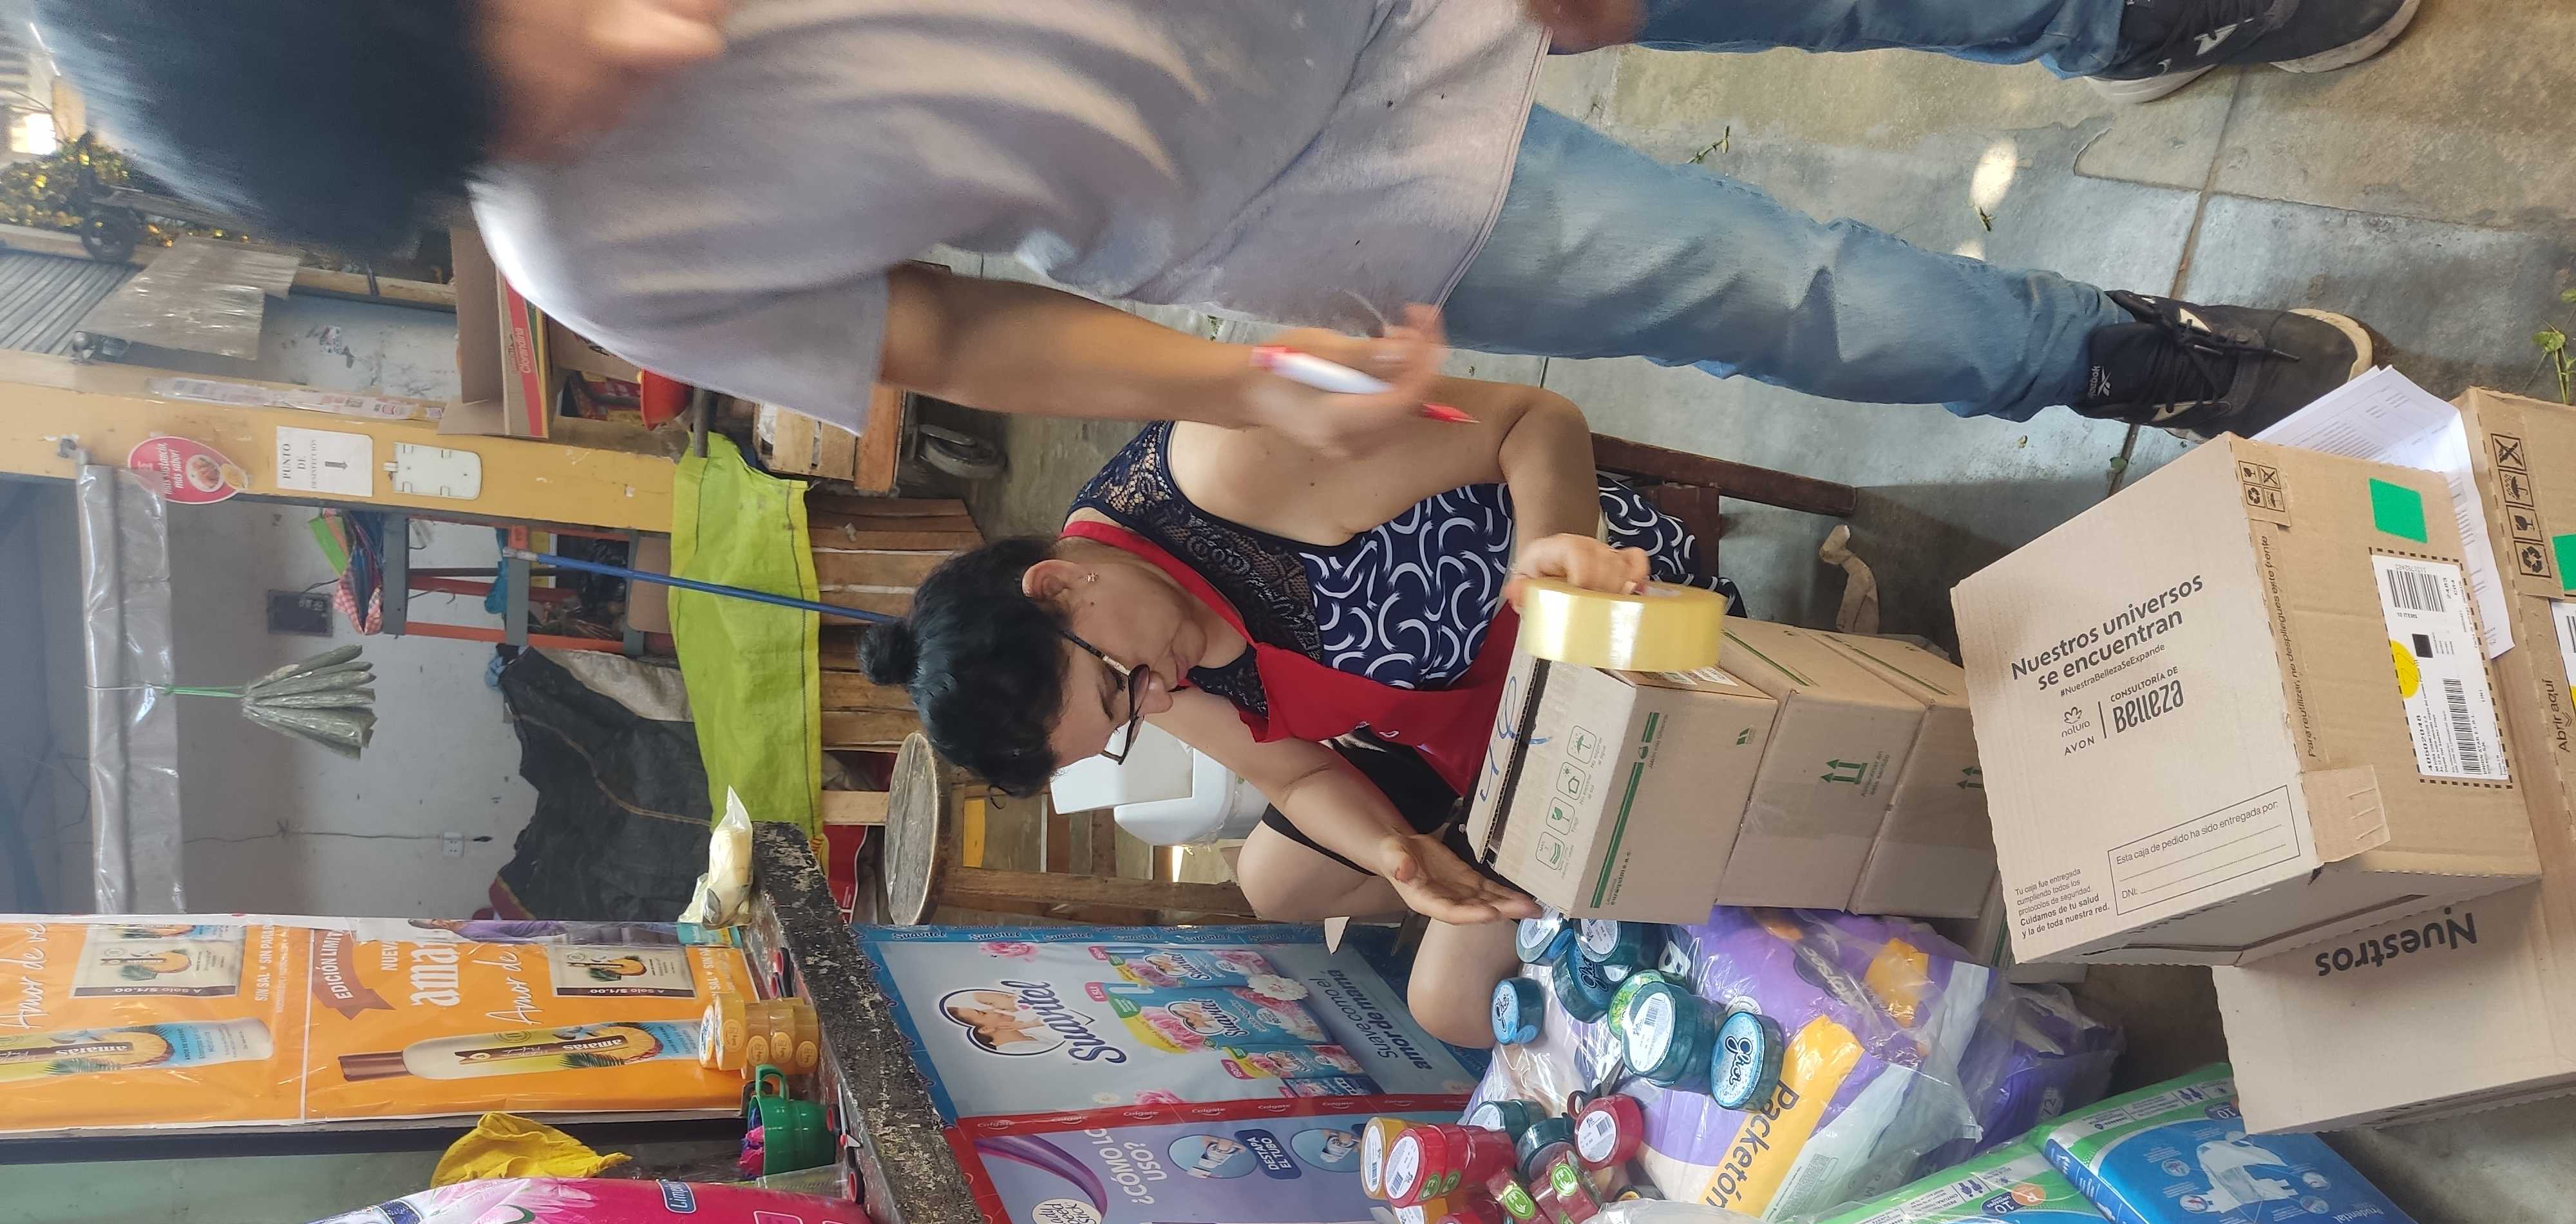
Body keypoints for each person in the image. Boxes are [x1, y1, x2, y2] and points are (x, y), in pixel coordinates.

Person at [46, 0, 2411, 458]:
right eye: (543, 105)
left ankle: (2137, 9)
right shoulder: (592, 258)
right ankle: (2119, 360)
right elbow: (953, 334)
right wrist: (1242, 386)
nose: (644, 46)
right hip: (1303, 196)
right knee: (1785, 296)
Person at [858, 368, 1738, 1040]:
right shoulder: (1141, 655)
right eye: (1124, 720)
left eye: (1118, 686)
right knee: (1278, 881)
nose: (1156, 700)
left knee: (1450, 1002)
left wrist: (1552, 550)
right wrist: (1397, 854)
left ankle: (1639, 907)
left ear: (1057, 585)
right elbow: (1295, 773)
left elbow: (1533, 420)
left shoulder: (1234, 466)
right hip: (1454, 717)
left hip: (1575, 634)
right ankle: (1556, 881)